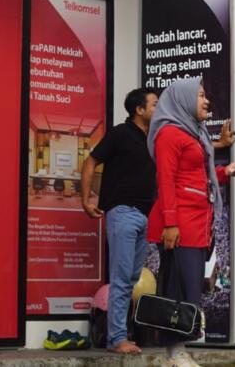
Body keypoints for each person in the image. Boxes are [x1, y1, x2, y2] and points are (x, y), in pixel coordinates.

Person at [146, 78, 235, 367]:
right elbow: (166, 180)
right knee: (177, 288)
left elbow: (198, 177)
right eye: (200, 95)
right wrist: (170, 223)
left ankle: (177, 350)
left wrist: (226, 172)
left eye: (205, 95)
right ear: (184, 100)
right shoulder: (169, 134)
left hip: (196, 222)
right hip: (179, 224)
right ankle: (174, 352)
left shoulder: (193, 133)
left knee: (190, 287)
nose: (206, 101)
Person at [80, 88, 159, 354]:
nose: (159, 108)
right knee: (122, 278)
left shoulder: (152, 138)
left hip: (143, 216)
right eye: (155, 104)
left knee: (132, 277)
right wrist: (85, 200)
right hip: (123, 213)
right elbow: (90, 162)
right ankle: (116, 339)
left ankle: (119, 335)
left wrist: (218, 145)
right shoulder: (120, 134)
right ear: (139, 109)